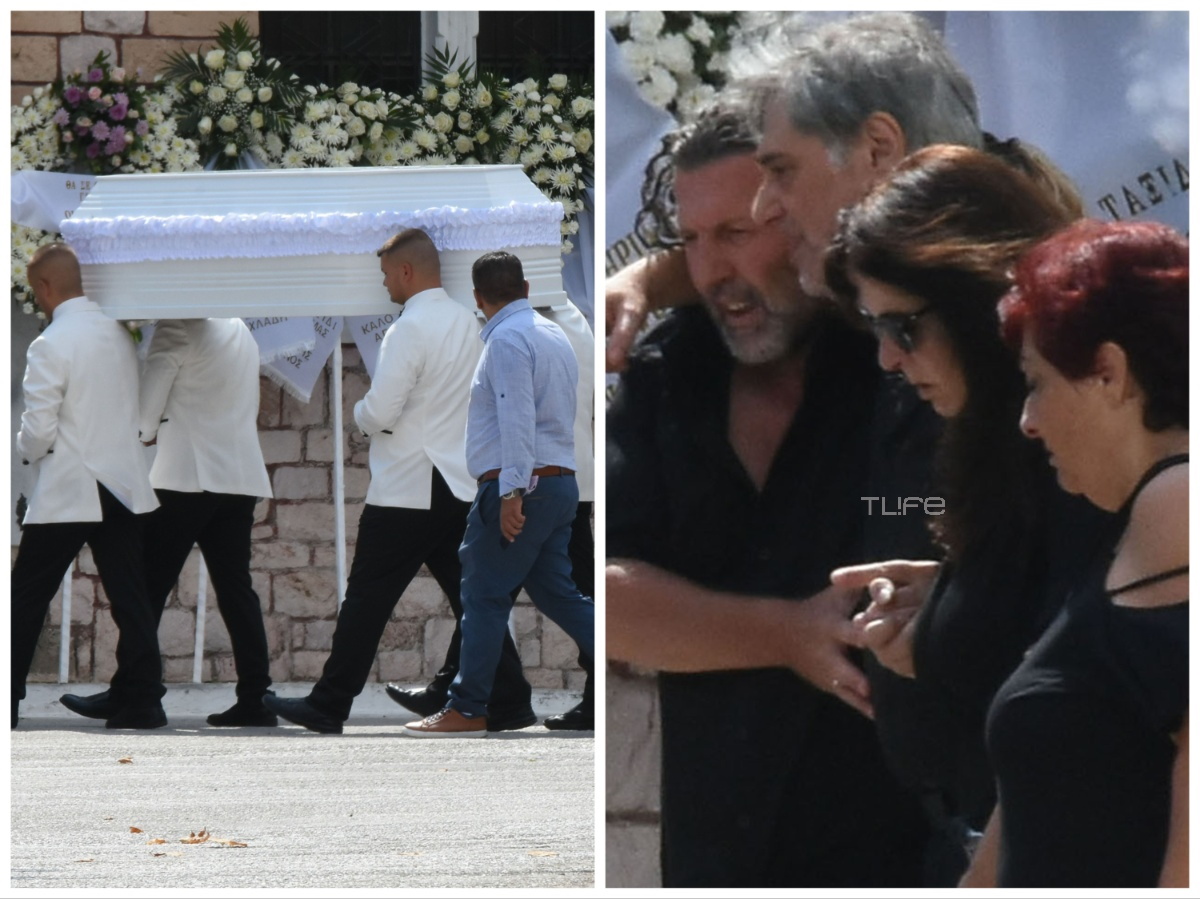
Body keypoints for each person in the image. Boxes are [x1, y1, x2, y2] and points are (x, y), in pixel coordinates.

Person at [606, 105, 929, 886]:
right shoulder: (666, 373)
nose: (711, 269)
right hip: (716, 853)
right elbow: (609, 598)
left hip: (897, 847)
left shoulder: (901, 366)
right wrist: (787, 633)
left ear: (802, 215)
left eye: (738, 231)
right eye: (691, 240)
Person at [822, 143, 1106, 883]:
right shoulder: (987, 438)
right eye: (875, 328)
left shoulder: (1081, 445)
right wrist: (949, 598)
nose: (888, 358)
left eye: (904, 328)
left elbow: (1091, 692)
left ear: (975, 302)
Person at [966, 220, 1188, 887]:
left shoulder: (1178, 504)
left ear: (1109, 373)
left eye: (1037, 382)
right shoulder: (1142, 521)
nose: (1027, 420)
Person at [265, 229, 535, 734]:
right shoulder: (470, 323)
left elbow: (382, 409)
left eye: (387, 273)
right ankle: (510, 698)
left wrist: (359, 417)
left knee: (368, 597)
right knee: (473, 598)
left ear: (407, 271)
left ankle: (329, 703)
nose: (385, 283)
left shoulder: (408, 328)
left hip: (410, 482)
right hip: (459, 482)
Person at [605, 12, 981, 371]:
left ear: (878, 149)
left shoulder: (994, 329)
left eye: (782, 171)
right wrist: (647, 282)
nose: (765, 206)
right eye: (691, 238)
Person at [404, 251, 594, 737]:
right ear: (526, 288)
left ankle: (468, 707)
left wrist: (511, 492)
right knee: (559, 594)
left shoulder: (507, 340)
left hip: (522, 485)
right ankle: (631, 649)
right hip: (559, 482)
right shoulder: (554, 333)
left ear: (477, 297)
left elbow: (517, 419)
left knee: (484, 595)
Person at [58, 318, 277, 727]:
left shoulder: (177, 328)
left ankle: (134, 695)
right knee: (236, 590)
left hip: (187, 476)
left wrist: (141, 432)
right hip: (238, 475)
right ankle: (256, 697)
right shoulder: (239, 328)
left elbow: (146, 412)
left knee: (146, 587)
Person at [12, 243, 165, 730]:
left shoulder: (51, 343)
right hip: (121, 482)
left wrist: (25, 452)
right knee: (131, 598)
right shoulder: (119, 333)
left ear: (43, 288)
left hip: (71, 484)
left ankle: (6, 697)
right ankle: (144, 701)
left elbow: (39, 429)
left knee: (26, 596)